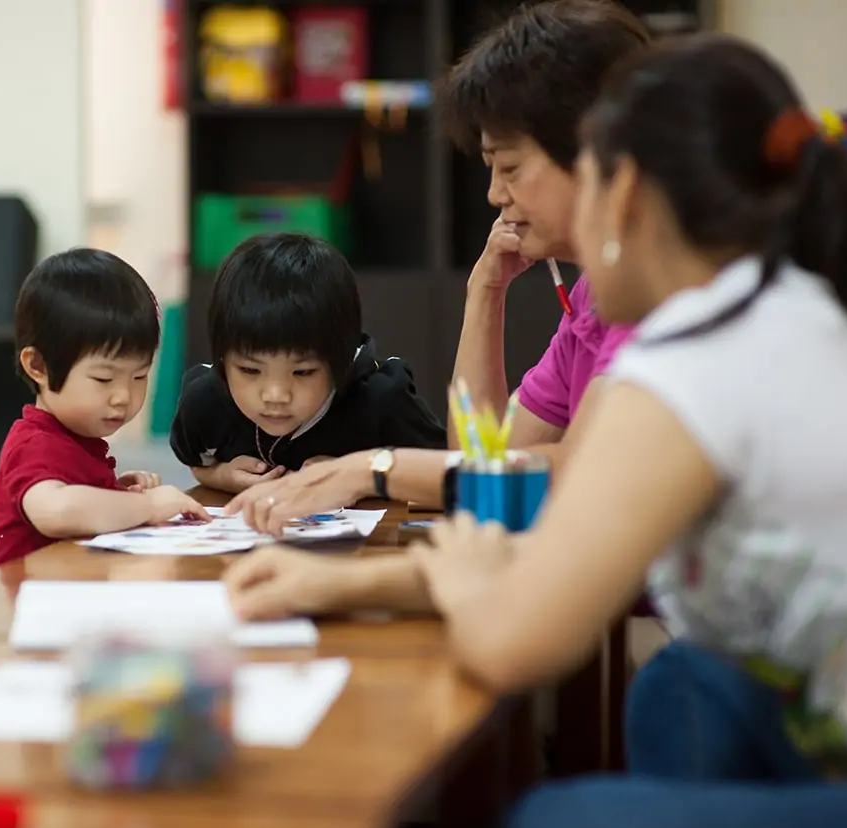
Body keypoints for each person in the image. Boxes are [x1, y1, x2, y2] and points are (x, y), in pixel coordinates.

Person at [412, 34, 847, 828]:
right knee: (683, 682)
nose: (500, 199)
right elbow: (509, 467)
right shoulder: (779, 306)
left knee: (552, 825)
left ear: (626, 195)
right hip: (844, 726)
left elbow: (513, 640)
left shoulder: (691, 358)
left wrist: (466, 588)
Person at [221, 0, 648, 536]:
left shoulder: (658, 298)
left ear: (600, 150)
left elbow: (575, 475)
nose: (496, 195)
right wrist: (485, 292)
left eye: (510, 168)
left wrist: (373, 469)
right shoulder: (591, 299)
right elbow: (485, 464)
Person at [0, 250, 206, 571]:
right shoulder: (35, 443)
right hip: (10, 604)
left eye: (139, 376)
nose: (123, 396)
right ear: (38, 366)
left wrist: (112, 492)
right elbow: (56, 511)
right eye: (104, 378)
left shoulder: (78, 438)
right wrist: (145, 505)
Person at [170, 233, 446, 494]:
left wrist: (359, 478)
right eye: (250, 370)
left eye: (302, 372)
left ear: (339, 360)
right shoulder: (205, 401)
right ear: (222, 359)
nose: (275, 395)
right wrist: (224, 477)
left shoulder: (382, 400)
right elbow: (199, 464)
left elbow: (450, 478)